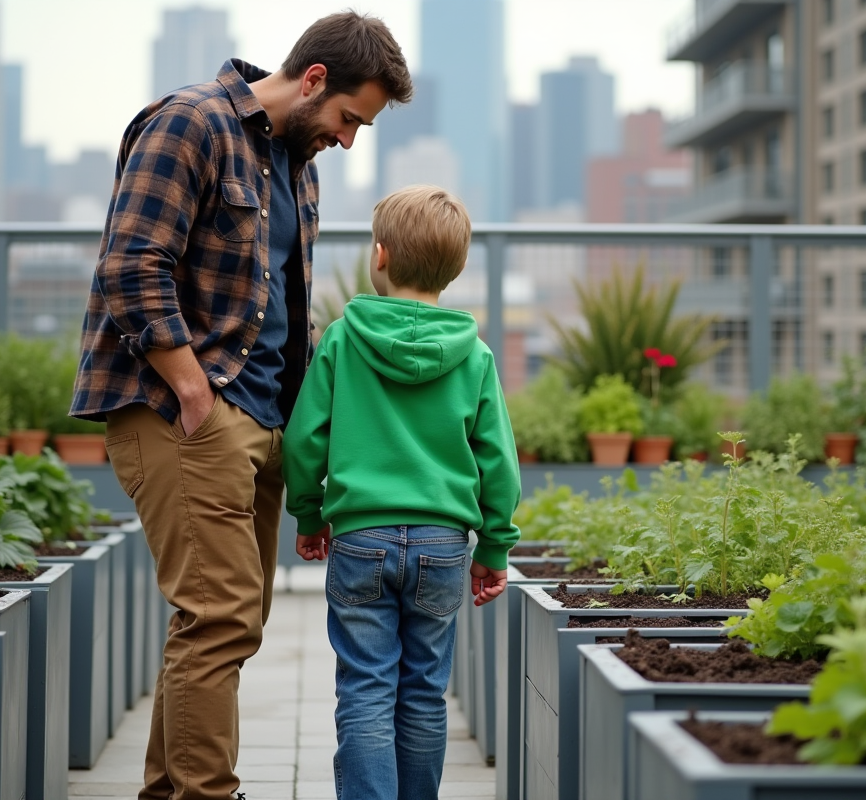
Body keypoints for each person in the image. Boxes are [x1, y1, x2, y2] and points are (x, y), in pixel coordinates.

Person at [69, 12, 412, 800]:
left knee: (223, 624)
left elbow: (274, 304)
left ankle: (171, 791)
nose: (349, 140)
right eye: (349, 119)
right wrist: (193, 390)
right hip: (183, 412)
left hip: (261, 420)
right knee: (220, 618)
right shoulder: (191, 122)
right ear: (314, 79)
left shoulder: (297, 163)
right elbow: (131, 265)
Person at [283, 185, 521, 800]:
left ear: (380, 256)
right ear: (456, 266)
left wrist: (309, 515)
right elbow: (499, 463)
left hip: (360, 539)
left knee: (365, 688)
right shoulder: (477, 356)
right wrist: (494, 547)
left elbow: (305, 439)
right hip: (444, 546)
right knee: (423, 692)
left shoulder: (341, 340)